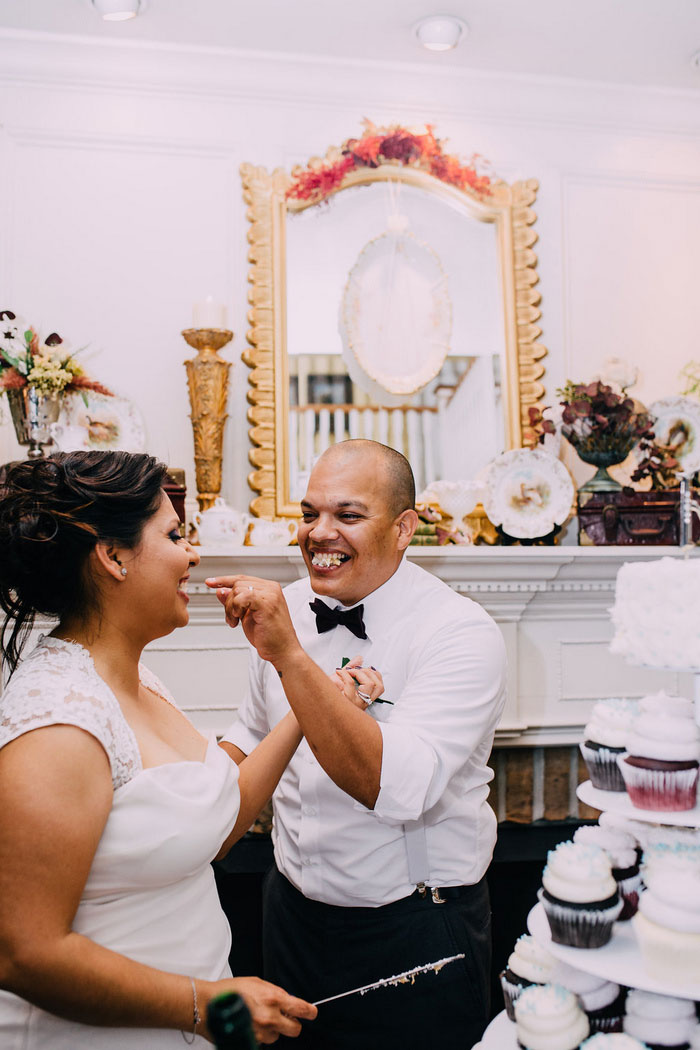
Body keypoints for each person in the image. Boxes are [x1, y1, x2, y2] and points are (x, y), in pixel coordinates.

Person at [0, 450, 318, 1048]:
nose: (192, 554)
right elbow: (24, 953)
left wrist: (313, 703)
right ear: (114, 556)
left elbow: (211, 829)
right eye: (174, 534)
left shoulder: (137, 680)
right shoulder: (58, 723)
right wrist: (205, 1003)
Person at [207, 439, 508, 1050]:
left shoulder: (459, 633)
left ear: (403, 529)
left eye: (347, 515)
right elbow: (252, 732)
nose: (319, 533)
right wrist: (182, 801)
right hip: (288, 913)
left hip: (416, 927)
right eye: (309, 512)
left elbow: (395, 789)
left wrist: (290, 655)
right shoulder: (286, 607)